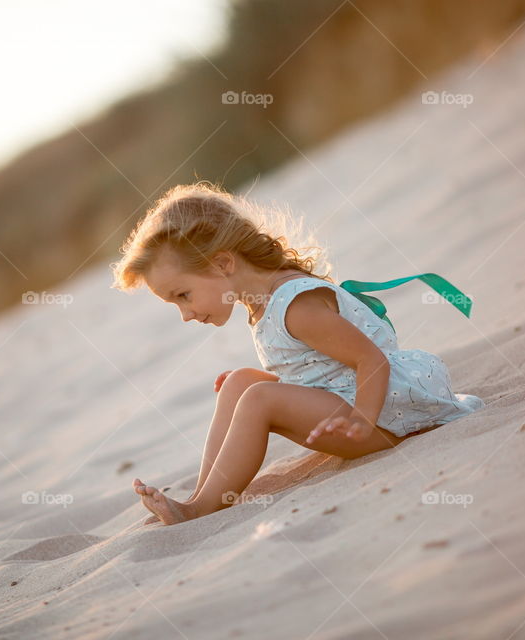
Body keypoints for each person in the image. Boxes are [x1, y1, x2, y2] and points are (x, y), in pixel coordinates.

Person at [109, 181, 484, 525]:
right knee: (241, 382)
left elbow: (371, 360)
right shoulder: (259, 302)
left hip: (382, 417)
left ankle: (200, 508)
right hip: (348, 402)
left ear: (223, 263)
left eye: (183, 296)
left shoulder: (295, 306)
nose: (186, 315)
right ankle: (200, 496)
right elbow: (317, 369)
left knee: (258, 398)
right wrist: (260, 384)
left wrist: (361, 421)